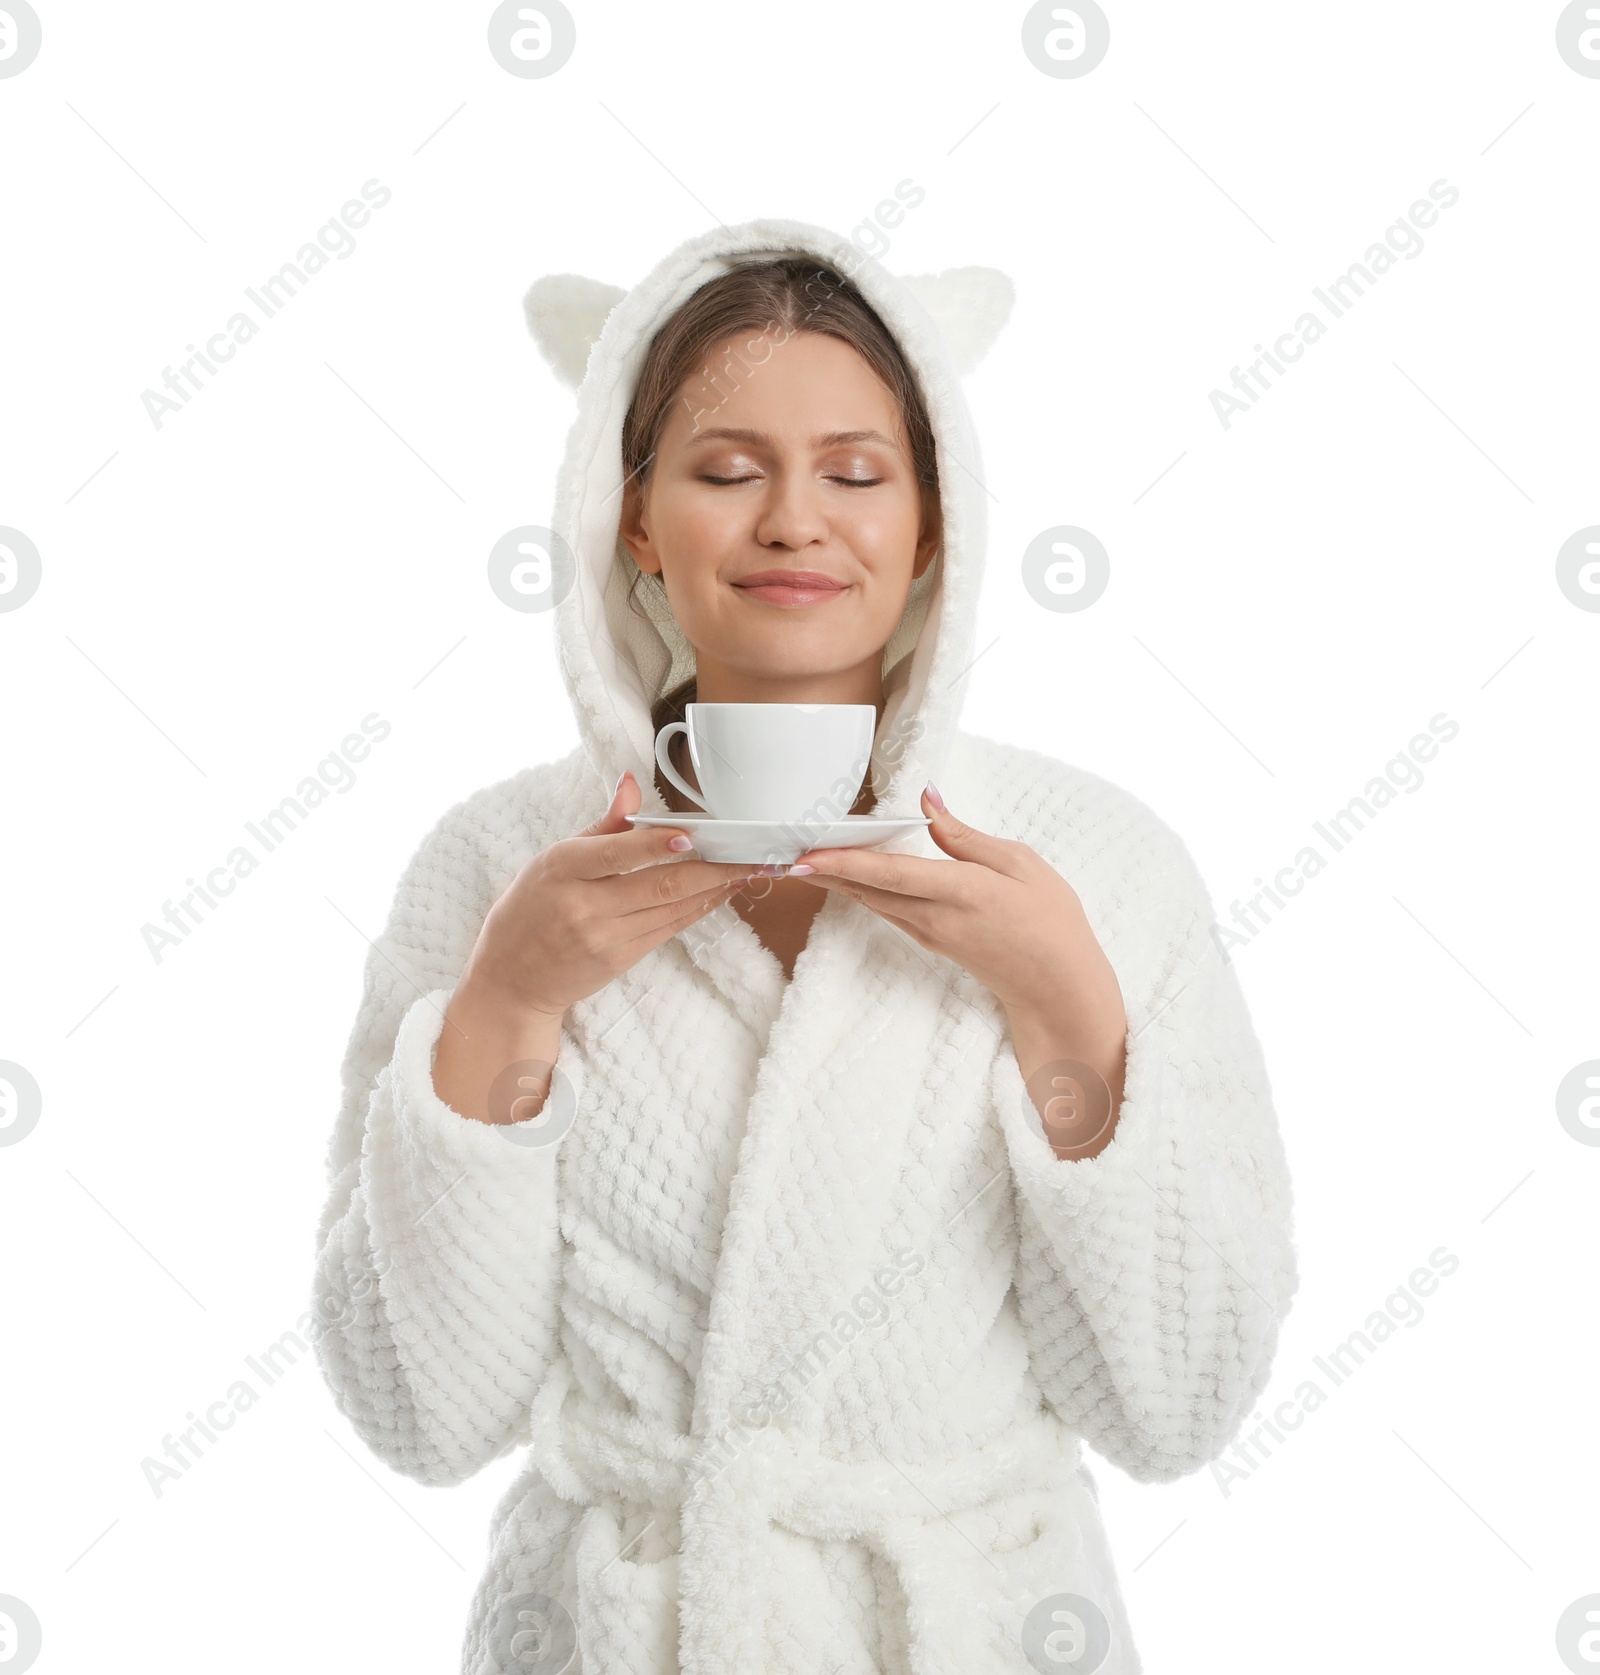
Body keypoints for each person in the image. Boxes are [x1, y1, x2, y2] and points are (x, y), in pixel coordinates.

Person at [310, 219, 1299, 1675]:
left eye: (855, 472)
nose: (793, 522)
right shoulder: (496, 872)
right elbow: (418, 1413)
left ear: (933, 524)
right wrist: (505, 1013)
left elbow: (1180, 1408)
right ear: (634, 519)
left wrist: (1064, 1005)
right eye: (724, 471)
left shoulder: (1098, 866)